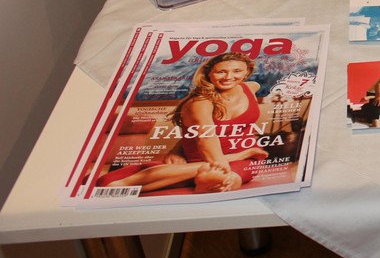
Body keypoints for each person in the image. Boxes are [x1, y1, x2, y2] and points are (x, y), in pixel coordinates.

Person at [96, 52, 269, 194]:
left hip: (245, 158)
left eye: (237, 71)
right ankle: (209, 180)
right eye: (221, 72)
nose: (229, 77)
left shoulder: (251, 87)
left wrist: (176, 150)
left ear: (246, 72)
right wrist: (233, 160)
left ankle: (209, 182)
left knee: (231, 180)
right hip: (206, 157)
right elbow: (206, 139)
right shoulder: (201, 102)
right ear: (208, 73)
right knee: (221, 175)